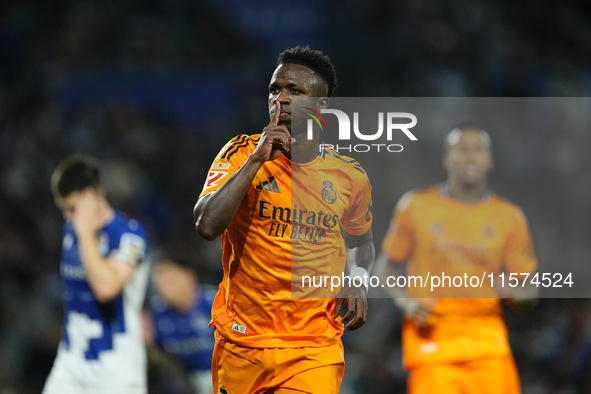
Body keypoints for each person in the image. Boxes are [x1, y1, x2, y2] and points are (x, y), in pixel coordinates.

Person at [193, 46, 375, 394]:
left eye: (296, 90)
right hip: (243, 344)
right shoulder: (241, 152)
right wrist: (257, 160)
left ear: (320, 107)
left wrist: (357, 278)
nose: (281, 98)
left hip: (312, 348)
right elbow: (206, 225)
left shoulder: (349, 176)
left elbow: (362, 244)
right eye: (275, 89)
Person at [376, 124, 538, 394]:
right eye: (462, 149)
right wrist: (403, 301)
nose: (470, 156)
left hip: (489, 349)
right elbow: (385, 266)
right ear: (447, 159)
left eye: (478, 150)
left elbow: (529, 289)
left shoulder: (510, 217)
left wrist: (517, 294)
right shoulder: (415, 207)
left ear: (490, 160)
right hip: (433, 348)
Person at [43, 154, 150, 394]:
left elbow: (106, 288)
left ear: (93, 196)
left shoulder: (130, 236)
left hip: (117, 374)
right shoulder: (72, 230)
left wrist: (84, 232)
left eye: (72, 209)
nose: (68, 217)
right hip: (71, 366)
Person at [144, 251, 217, 394]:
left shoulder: (218, 304)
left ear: (189, 276)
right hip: (188, 385)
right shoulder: (156, 317)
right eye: (160, 282)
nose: (163, 288)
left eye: (170, 280)